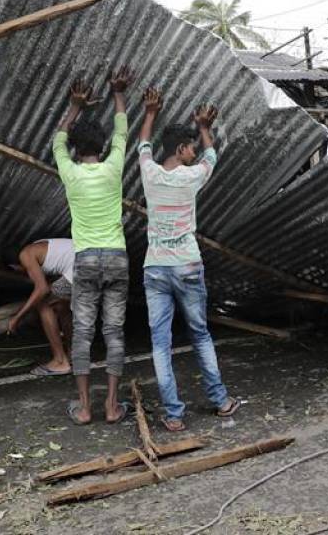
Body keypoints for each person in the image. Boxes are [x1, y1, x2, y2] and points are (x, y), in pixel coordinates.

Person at [137, 89, 239, 432]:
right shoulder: (192, 176)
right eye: (190, 146)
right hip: (188, 265)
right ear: (181, 148)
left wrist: (150, 112)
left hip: (155, 267)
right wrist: (204, 126)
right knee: (200, 334)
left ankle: (174, 415)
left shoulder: (149, 174)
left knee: (160, 343)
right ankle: (221, 401)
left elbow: (143, 145)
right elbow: (212, 155)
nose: (194, 152)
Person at [52, 66, 134, 425]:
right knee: (113, 332)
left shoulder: (68, 171)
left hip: (85, 259)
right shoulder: (114, 166)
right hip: (116, 257)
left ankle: (84, 408)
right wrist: (117, 92)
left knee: (83, 333)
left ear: (75, 149)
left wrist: (75, 106)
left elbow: (57, 138)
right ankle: (113, 407)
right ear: (101, 147)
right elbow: (122, 130)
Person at [6, 238, 74, 376]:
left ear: (14, 266)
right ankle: (74, 353)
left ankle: (60, 361)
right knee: (61, 305)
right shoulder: (41, 247)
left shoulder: (25, 254)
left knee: (43, 304)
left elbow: (42, 289)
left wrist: (17, 317)